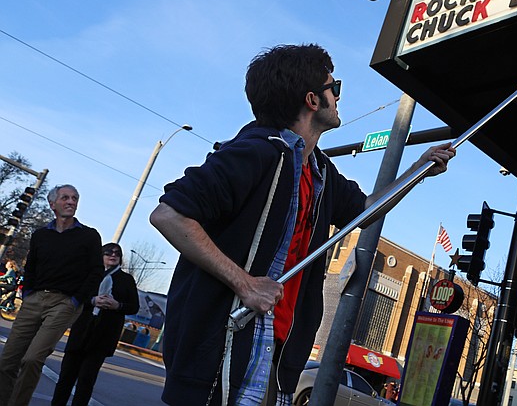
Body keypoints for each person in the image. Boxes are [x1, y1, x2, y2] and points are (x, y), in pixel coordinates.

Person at [150, 44, 456, 406]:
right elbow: (169, 214)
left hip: (278, 353)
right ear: (312, 99)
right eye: (334, 87)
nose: (339, 97)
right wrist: (245, 284)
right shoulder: (256, 151)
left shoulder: (320, 171)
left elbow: (366, 210)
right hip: (222, 347)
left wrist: (418, 170)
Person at [0, 184, 103, 406]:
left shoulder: (89, 236)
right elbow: (31, 267)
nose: (71, 201)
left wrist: (76, 300)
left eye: (75, 198)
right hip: (34, 299)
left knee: (32, 359)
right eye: (65, 197)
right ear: (52, 204)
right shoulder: (40, 235)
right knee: (7, 362)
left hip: (64, 303)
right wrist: (28, 294)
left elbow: (96, 271)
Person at [51, 242, 139, 406]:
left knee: (86, 381)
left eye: (117, 253)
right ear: (101, 255)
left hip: (103, 336)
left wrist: (117, 305)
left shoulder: (126, 280)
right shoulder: (90, 274)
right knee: (66, 377)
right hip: (81, 331)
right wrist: (93, 300)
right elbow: (75, 295)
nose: (113, 255)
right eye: (108, 252)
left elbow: (134, 307)